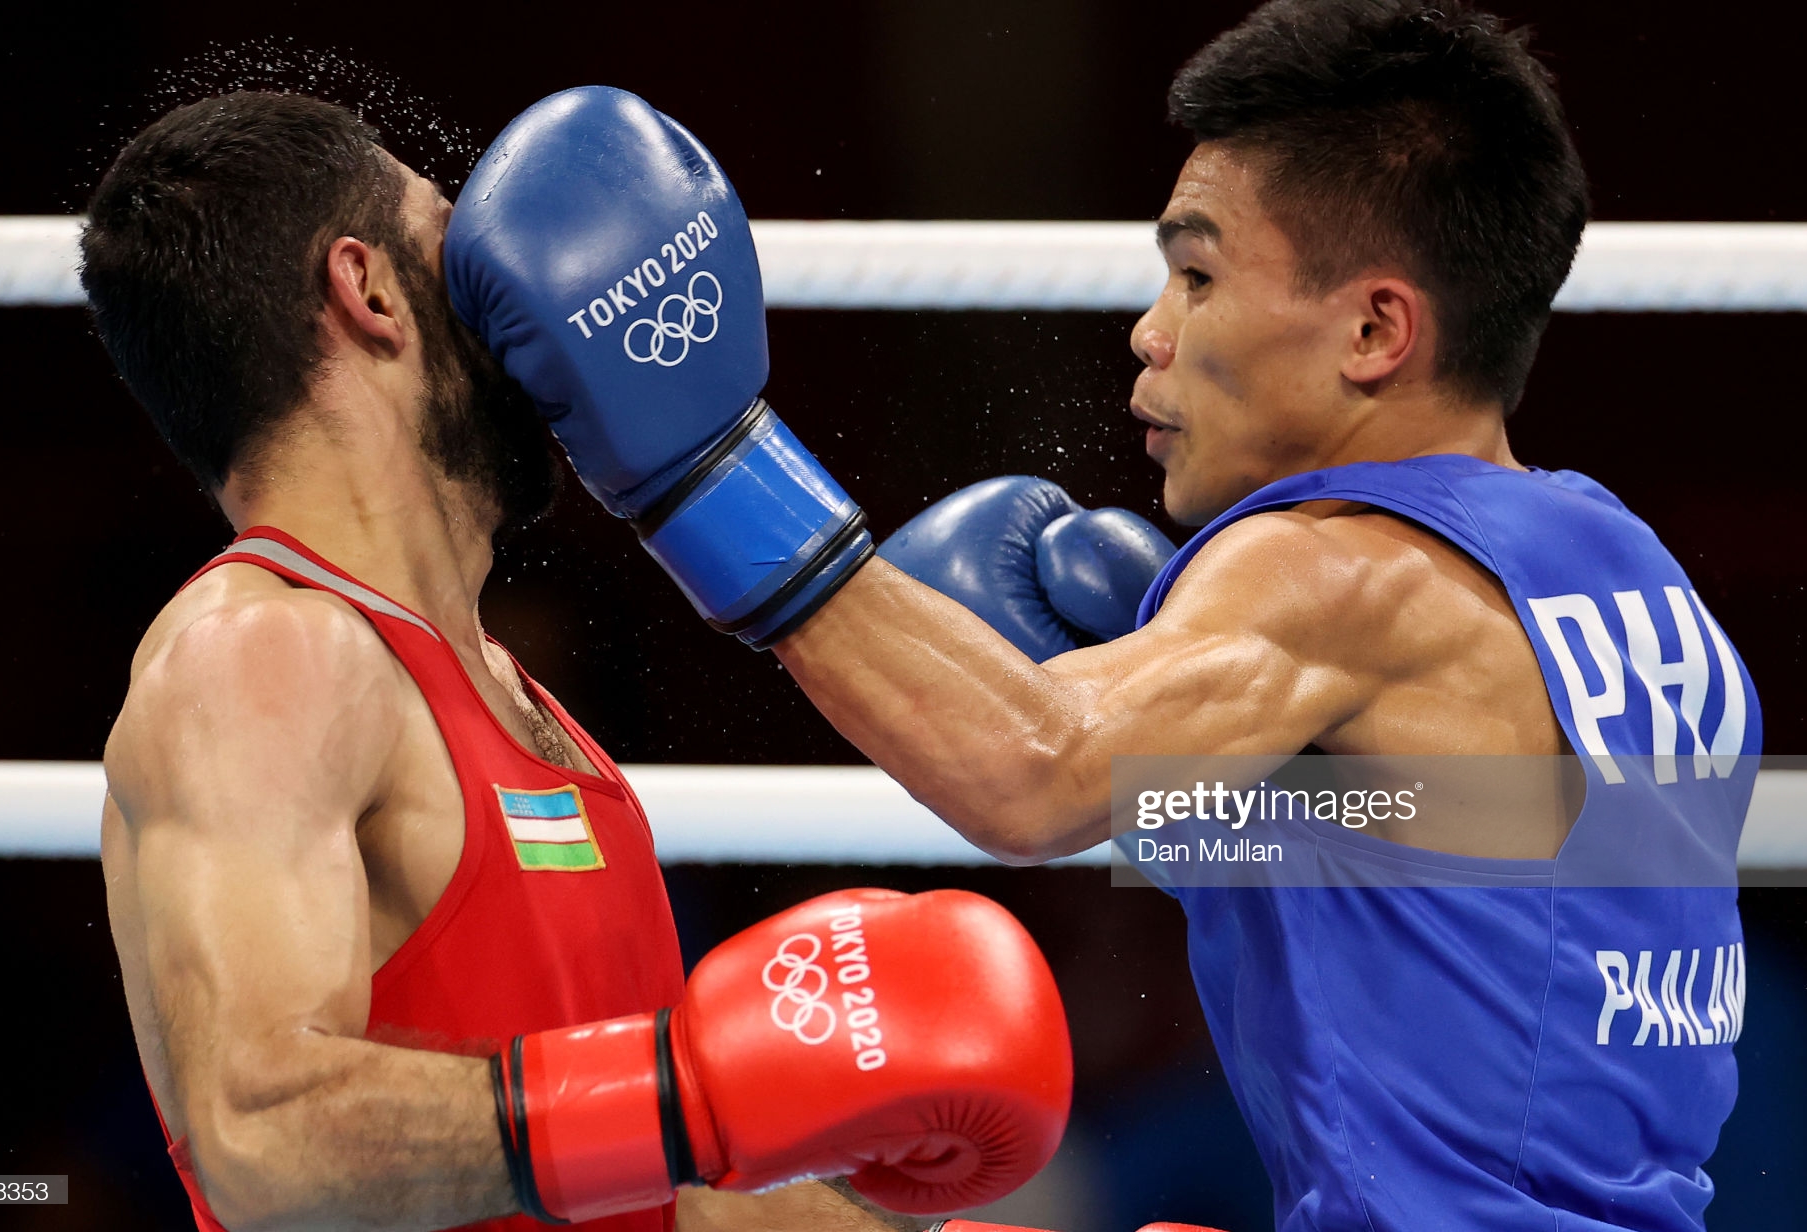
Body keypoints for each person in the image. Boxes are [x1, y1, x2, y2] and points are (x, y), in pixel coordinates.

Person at [443, 2, 1761, 1229]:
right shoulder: (1628, 577)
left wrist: (705, 467)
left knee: (748, 1207)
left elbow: (1030, 778)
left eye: (1197, 277)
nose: (1149, 333)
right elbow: (1460, 888)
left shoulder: (1339, 568)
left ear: (1373, 330)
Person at [81, 90, 1072, 1232]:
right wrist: (681, 1092)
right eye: (457, 244)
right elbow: (264, 1134)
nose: (511, 300)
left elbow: (652, 1191)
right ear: (368, 291)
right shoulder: (263, 650)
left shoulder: (505, 694)